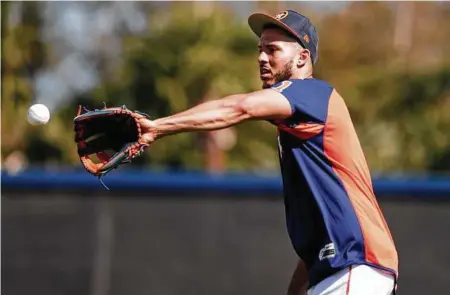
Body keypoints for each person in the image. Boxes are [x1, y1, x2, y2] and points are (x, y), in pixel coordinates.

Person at [138, 9, 398, 295]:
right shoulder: (299, 134)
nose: (262, 57)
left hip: (354, 265)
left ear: (302, 58)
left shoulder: (311, 93)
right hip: (346, 269)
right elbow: (318, 236)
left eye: (273, 49)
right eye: (260, 49)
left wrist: (157, 127)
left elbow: (239, 107)